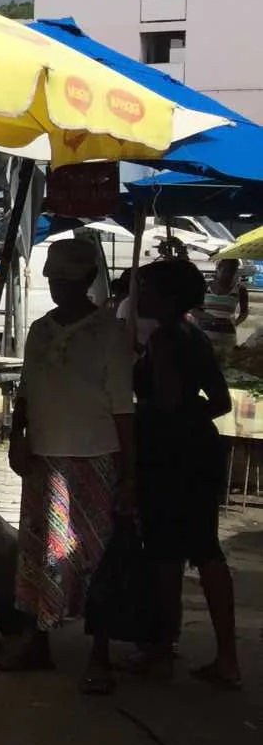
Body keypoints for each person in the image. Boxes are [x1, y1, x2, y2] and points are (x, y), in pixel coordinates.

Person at [0, 237, 136, 693]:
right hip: (43, 457)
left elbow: (123, 408)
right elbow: (26, 389)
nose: (59, 288)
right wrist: (17, 436)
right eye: (54, 281)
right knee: (38, 552)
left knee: (93, 557)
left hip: (93, 459)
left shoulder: (109, 332)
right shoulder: (40, 329)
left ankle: (100, 655)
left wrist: (130, 474)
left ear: (88, 281)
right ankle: (37, 640)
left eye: (67, 280)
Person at [131, 258, 241, 687]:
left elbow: (168, 402)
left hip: (170, 457)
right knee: (204, 550)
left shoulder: (163, 339)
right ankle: (225, 656)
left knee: (165, 553)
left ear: (168, 297)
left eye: (146, 287)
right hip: (200, 451)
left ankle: (162, 651)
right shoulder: (194, 335)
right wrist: (190, 420)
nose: (140, 294)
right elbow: (220, 402)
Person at [199, 258, 249, 345]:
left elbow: (244, 312)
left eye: (232, 271)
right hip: (205, 334)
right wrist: (211, 319)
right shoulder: (205, 286)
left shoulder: (240, 290)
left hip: (227, 335)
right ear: (218, 270)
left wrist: (234, 323)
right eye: (225, 271)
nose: (228, 274)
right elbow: (194, 309)